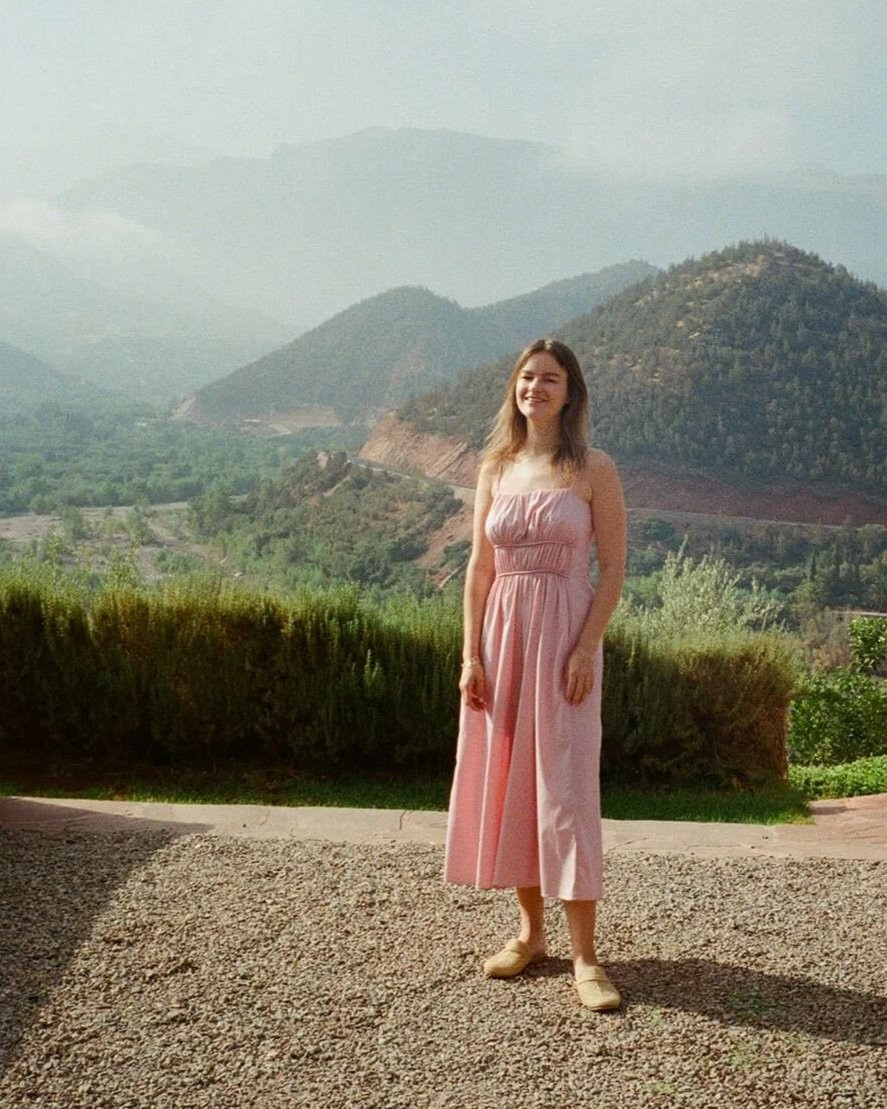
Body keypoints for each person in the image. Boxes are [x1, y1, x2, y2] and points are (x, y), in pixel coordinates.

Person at [443, 337, 626, 1011]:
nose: (535, 387)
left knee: (568, 787)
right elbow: (477, 570)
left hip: (564, 640)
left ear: (569, 392)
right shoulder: (494, 466)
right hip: (500, 637)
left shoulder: (592, 468)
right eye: (526, 377)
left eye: (549, 378)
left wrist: (585, 648)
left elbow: (612, 570)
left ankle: (585, 957)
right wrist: (470, 655)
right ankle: (529, 932)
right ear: (513, 388)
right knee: (512, 776)